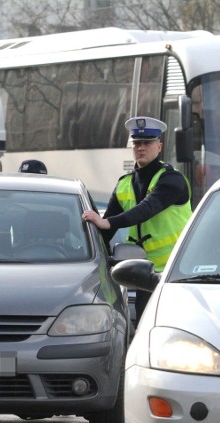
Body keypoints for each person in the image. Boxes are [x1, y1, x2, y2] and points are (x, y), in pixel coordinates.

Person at [82, 115, 192, 323]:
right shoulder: (124, 183)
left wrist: (109, 221)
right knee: (145, 329)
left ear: (159, 147)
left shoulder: (172, 180)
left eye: (147, 143)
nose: (141, 147)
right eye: (137, 143)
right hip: (142, 274)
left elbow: (148, 209)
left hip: (175, 271)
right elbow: (105, 233)